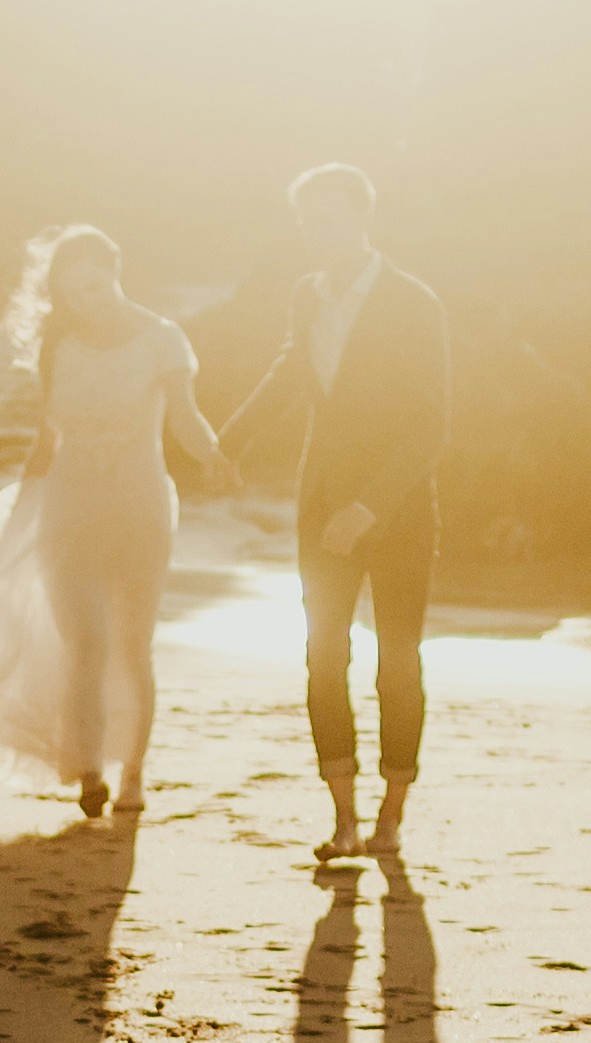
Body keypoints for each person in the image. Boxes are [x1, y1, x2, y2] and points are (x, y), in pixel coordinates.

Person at [0, 225, 229, 818]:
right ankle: (89, 769)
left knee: (132, 647)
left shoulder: (163, 338)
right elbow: (47, 438)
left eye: (97, 286)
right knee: (85, 643)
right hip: (69, 505)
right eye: (75, 294)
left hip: (139, 507)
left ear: (116, 270)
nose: (90, 302)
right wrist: (15, 522)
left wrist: (213, 457)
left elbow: (185, 416)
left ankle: (133, 774)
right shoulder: (60, 345)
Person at [211, 163, 448, 866]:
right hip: (319, 504)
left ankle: (390, 817)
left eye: (331, 219)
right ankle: (343, 820)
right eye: (308, 222)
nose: (319, 234)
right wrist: (230, 442)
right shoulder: (307, 295)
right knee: (323, 658)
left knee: (397, 665)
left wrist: (367, 507)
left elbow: (429, 427)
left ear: (363, 217)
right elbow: (292, 369)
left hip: (399, 511)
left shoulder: (413, 303)